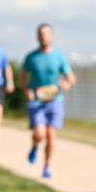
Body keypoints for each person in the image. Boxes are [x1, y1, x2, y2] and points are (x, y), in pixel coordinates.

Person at [20, 23, 76, 179]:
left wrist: (67, 84)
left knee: (51, 134)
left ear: (51, 36)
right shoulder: (31, 57)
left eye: (46, 34)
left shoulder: (59, 57)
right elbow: (23, 77)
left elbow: (71, 78)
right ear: (37, 37)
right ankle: (34, 145)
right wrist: (26, 90)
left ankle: (47, 166)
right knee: (39, 133)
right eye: (40, 34)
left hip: (54, 100)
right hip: (37, 101)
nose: (43, 37)